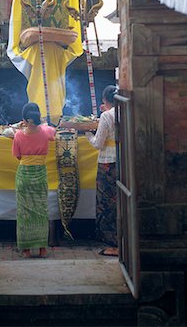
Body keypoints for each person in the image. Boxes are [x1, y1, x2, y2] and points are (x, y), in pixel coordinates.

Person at [12, 102, 56, 258]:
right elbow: (54, 132)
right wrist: (42, 124)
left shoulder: (18, 135)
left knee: (24, 212)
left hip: (24, 175)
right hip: (40, 175)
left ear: (24, 119)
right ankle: (42, 248)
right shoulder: (46, 132)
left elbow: (17, 156)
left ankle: (26, 250)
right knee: (41, 211)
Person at [85, 85, 118, 256]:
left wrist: (88, 135)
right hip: (122, 161)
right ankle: (123, 242)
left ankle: (113, 244)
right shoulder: (123, 111)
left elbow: (98, 143)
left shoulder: (106, 116)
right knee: (120, 202)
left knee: (106, 204)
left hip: (107, 163)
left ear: (104, 100)